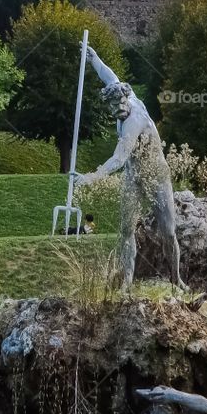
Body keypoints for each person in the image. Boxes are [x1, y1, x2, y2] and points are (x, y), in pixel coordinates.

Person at [77, 44, 181, 288]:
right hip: (134, 174)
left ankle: (177, 280)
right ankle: (125, 283)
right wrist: (94, 58)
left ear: (126, 99)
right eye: (112, 109)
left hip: (155, 174)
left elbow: (119, 159)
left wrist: (91, 177)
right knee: (125, 231)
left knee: (168, 231)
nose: (117, 112)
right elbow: (108, 75)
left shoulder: (134, 120)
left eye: (119, 107)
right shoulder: (121, 94)